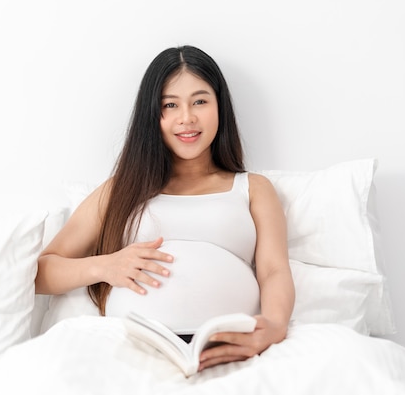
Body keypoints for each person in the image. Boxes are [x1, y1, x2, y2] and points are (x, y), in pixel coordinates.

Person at [35, 45, 295, 372]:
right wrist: (105, 266)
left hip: (229, 351)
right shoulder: (120, 190)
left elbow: (274, 270)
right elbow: (42, 272)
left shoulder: (253, 189)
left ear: (220, 107)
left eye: (200, 101)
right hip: (130, 353)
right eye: (170, 105)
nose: (187, 118)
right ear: (151, 116)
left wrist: (274, 323)